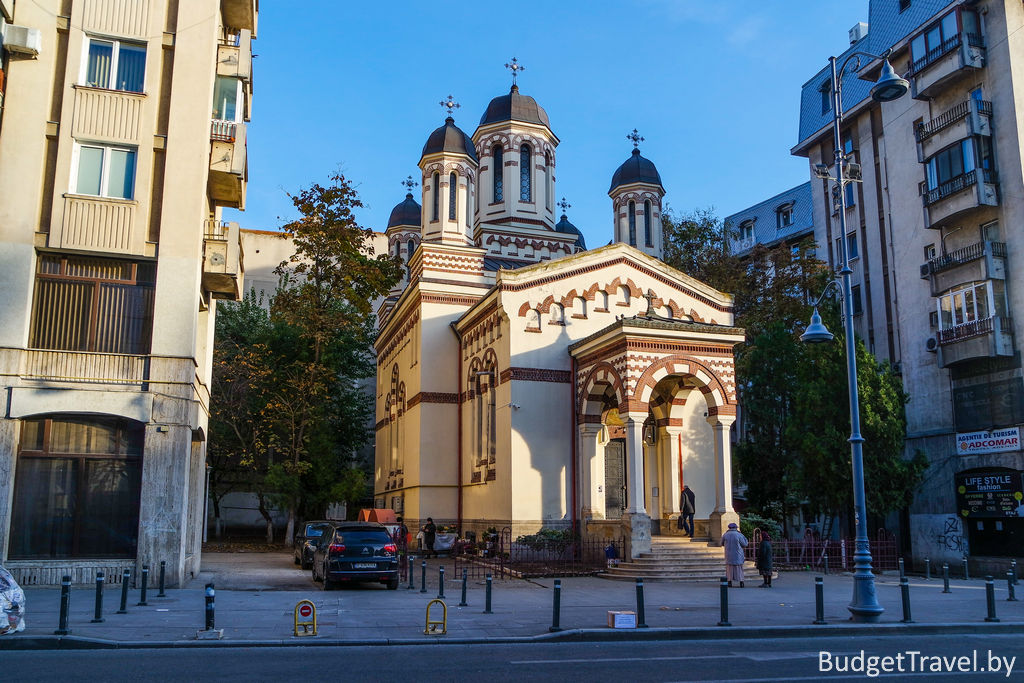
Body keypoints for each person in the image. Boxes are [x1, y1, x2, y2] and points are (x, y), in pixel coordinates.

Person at [722, 522, 748, 587]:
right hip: (738, 555)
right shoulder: (739, 535)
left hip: (729, 555)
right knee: (739, 569)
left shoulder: (725, 534)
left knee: (729, 569)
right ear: (736, 528)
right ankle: (741, 582)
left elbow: (721, 543)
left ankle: (729, 582)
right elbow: (745, 544)